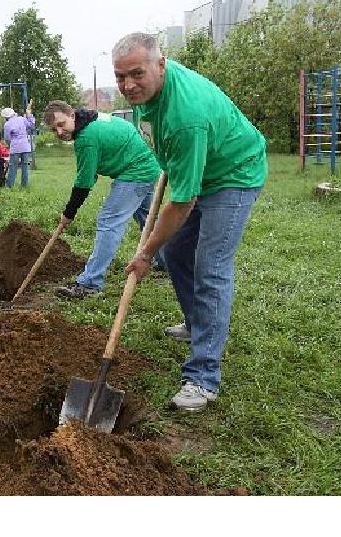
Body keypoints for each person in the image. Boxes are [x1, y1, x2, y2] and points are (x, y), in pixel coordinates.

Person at [115, 32, 268, 412]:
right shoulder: (147, 96)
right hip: (201, 168)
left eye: (136, 73)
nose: (128, 85)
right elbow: (162, 144)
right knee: (180, 251)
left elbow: (181, 203)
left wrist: (146, 253)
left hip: (234, 174)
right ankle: (196, 324)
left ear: (160, 65)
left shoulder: (187, 116)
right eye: (120, 76)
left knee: (211, 267)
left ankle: (203, 378)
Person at [43, 101, 164, 299]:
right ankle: (168, 262)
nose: (59, 131)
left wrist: (69, 212)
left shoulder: (86, 137)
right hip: (148, 165)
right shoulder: (93, 118)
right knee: (148, 219)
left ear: (72, 115)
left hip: (137, 171)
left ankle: (90, 284)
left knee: (109, 221)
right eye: (53, 129)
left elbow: (85, 181)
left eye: (61, 124)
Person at [1, 99, 35, 187]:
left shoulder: (7, 124)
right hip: (25, 147)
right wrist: (29, 114)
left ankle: (9, 186)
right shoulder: (21, 119)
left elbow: (7, 138)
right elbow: (31, 125)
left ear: (6, 117)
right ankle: (24, 185)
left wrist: (10, 145)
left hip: (15, 147)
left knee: (13, 167)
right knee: (25, 167)